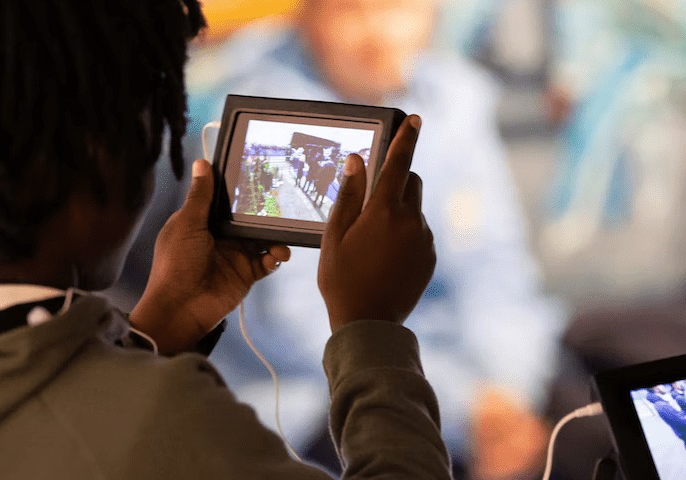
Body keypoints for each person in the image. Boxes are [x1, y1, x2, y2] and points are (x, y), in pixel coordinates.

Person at [0, 1, 451, 478]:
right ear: (105, 160)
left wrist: (162, 327)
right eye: (154, 126)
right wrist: (371, 330)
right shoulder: (174, 426)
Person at [117, 0, 566, 477]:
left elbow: (497, 268)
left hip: (462, 379)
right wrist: (463, 411)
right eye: (353, 9)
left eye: (399, 8)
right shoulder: (268, 114)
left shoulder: (454, 98)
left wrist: (505, 390)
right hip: (306, 394)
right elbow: (299, 326)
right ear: (305, 12)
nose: (379, 32)